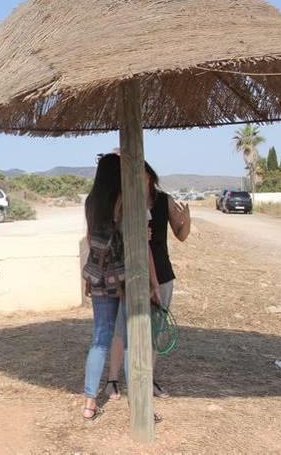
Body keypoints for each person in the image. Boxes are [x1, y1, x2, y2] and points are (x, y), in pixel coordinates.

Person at [81, 153, 161, 421]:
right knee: (129, 340)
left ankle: (90, 402)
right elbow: (140, 243)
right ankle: (138, 404)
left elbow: (91, 239)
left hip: (99, 277)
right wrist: (153, 282)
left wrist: (87, 278)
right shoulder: (128, 200)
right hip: (126, 277)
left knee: (100, 339)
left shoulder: (90, 202)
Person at [104, 162, 191, 400]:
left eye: (138, 174)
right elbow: (112, 230)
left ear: (150, 176)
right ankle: (112, 380)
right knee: (123, 327)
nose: (132, 178)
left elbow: (181, 235)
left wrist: (187, 222)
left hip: (161, 273)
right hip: (130, 272)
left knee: (155, 328)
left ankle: (148, 379)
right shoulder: (124, 199)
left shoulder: (165, 201)